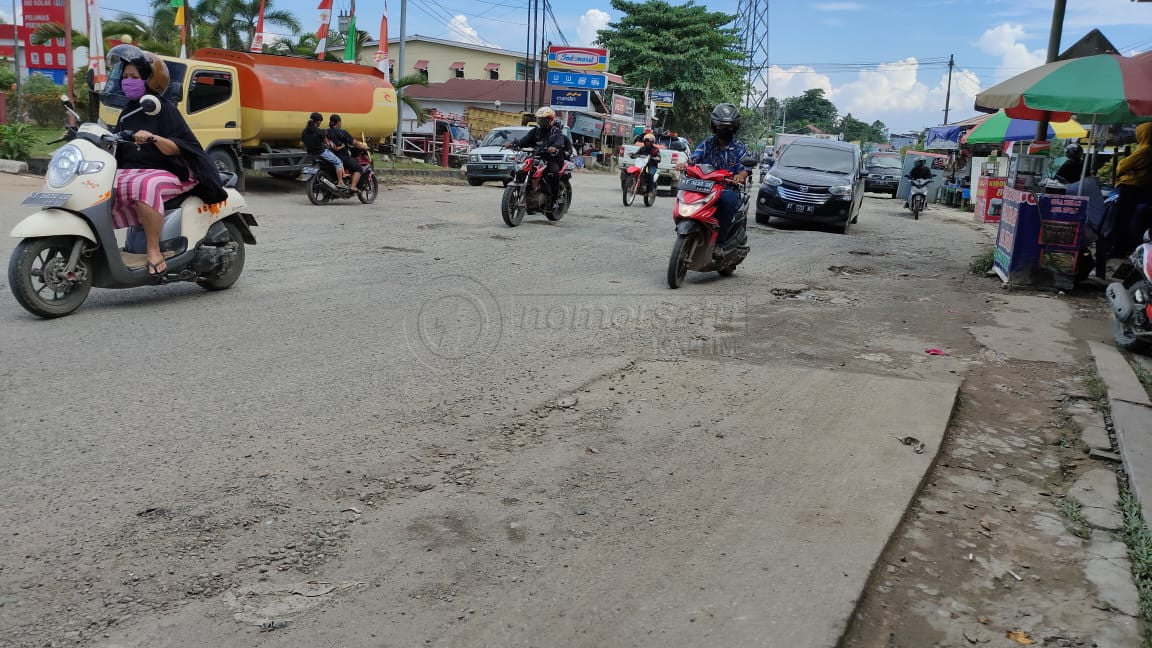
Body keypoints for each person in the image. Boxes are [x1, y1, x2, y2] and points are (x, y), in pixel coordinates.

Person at [107, 44, 227, 277]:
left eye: (134, 77)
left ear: (149, 79)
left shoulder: (163, 109)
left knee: (146, 186)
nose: (127, 81)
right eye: (125, 77)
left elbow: (179, 147)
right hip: (134, 170)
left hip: (171, 171)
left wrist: (153, 137)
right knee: (100, 186)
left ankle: (153, 251)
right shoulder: (128, 110)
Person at [676, 103, 750, 245]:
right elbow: (693, 160)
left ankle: (720, 244)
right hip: (704, 186)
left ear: (735, 128)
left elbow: (744, 168)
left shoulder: (739, 147)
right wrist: (684, 165)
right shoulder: (707, 143)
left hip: (727, 188)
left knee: (727, 201)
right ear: (714, 126)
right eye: (721, 126)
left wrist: (740, 176)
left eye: (729, 127)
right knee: (684, 196)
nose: (725, 129)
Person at [504, 106, 568, 211]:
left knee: (552, 174)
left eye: (544, 120)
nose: (541, 122)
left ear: (551, 120)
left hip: (553, 158)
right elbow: (524, 140)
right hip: (537, 156)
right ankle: (529, 193)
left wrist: (554, 147)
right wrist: (513, 144)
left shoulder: (555, 131)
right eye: (540, 119)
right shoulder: (536, 131)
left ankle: (554, 200)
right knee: (519, 170)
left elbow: (559, 142)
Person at [1114, 122, 1152, 257]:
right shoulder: (1144, 149)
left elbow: (1122, 165)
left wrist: (1128, 170)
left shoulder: (1145, 150)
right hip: (1141, 188)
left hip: (1131, 187)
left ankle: (1118, 249)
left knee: (1122, 219)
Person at [301, 112, 346, 188]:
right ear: (318, 121)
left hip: (311, 154)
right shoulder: (321, 132)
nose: (320, 123)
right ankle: (340, 182)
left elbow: (302, 143)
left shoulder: (304, 131)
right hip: (321, 153)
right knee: (338, 162)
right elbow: (327, 144)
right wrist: (340, 147)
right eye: (320, 122)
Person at [327, 114, 367, 191]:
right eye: (340, 122)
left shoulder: (326, 132)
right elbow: (354, 143)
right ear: (338, 122)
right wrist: (364, 147)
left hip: (330, 156)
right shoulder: (342, 132)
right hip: (342, 157)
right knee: (358, 169)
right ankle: (353, 186)